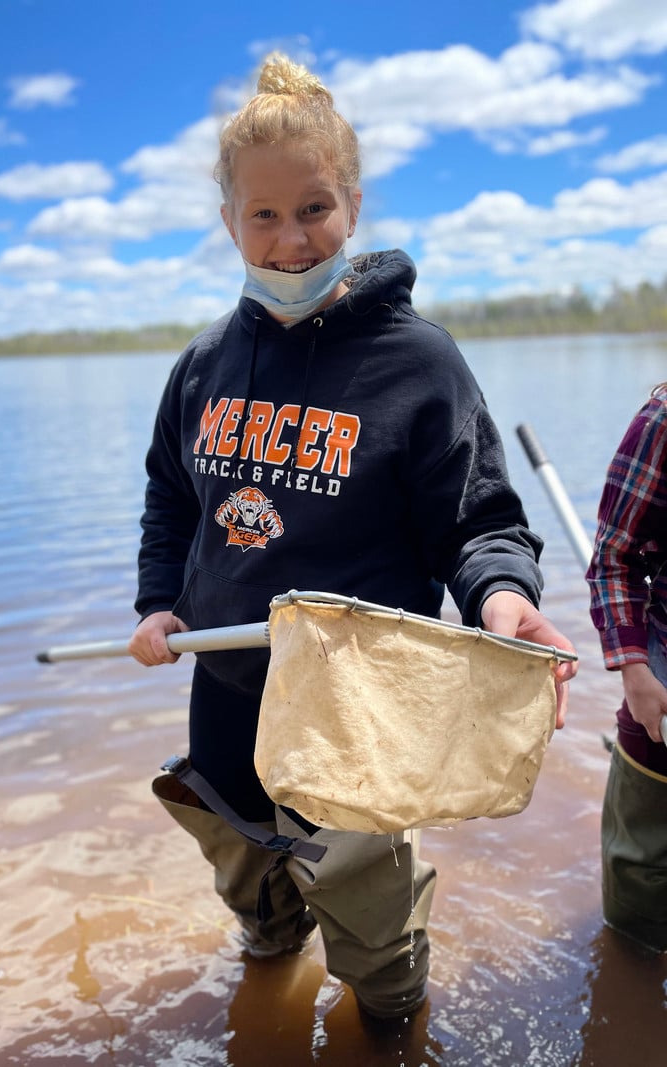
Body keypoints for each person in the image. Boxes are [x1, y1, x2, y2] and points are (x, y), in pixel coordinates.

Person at [129, 52, 577, 1021]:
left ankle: (392, 1021)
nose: (291, 238)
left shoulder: (417, 362)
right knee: (253, 885)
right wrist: (157, 601)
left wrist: (502, 598)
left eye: (314, 208)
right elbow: (171, 496)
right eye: (264, 214)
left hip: (358, 705)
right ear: (227, 222)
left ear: (354, 206)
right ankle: (269, 965)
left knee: (372, 930)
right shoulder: (202, 365)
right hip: (230, 687)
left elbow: (479, 520)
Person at [586, 382, 667, 953]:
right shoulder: (665, 420)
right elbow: (614, 559)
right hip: (661, 690)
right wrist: (635, 673)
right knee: (639, 889)